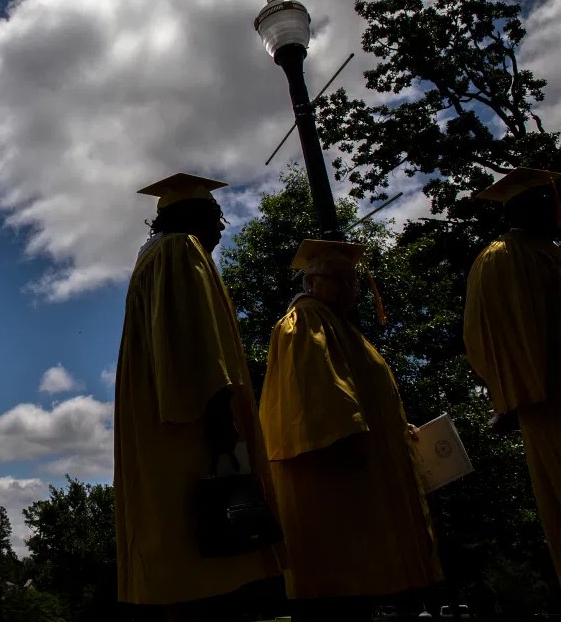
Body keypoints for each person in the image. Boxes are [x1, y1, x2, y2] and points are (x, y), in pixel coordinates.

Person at [115, 173, 283, 621]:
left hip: (162, 416)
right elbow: (195, 343)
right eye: (214, 217)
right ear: (188, 217)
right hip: (191, 421)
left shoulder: (150, 259)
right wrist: (219, 415)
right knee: (204, 540)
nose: (221, 228)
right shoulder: (179, 251)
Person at [259, 239, 442, 622]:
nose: (347, 289)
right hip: (336, 477)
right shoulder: (305, 322)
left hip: (360, 480)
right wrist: (349, 438)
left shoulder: (340, 327)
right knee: (336, 595)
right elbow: (320, 396)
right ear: (310, 283)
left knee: (359, 594)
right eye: (336, 279)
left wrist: (396, 426)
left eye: (351, 282)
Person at [464, 167, 561, 581]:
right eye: (547, 202)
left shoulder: (551, 252)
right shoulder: (501, 258)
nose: (556, 210)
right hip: (549, 399)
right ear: (524, 208)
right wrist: (512, 393)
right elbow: (494, 332)